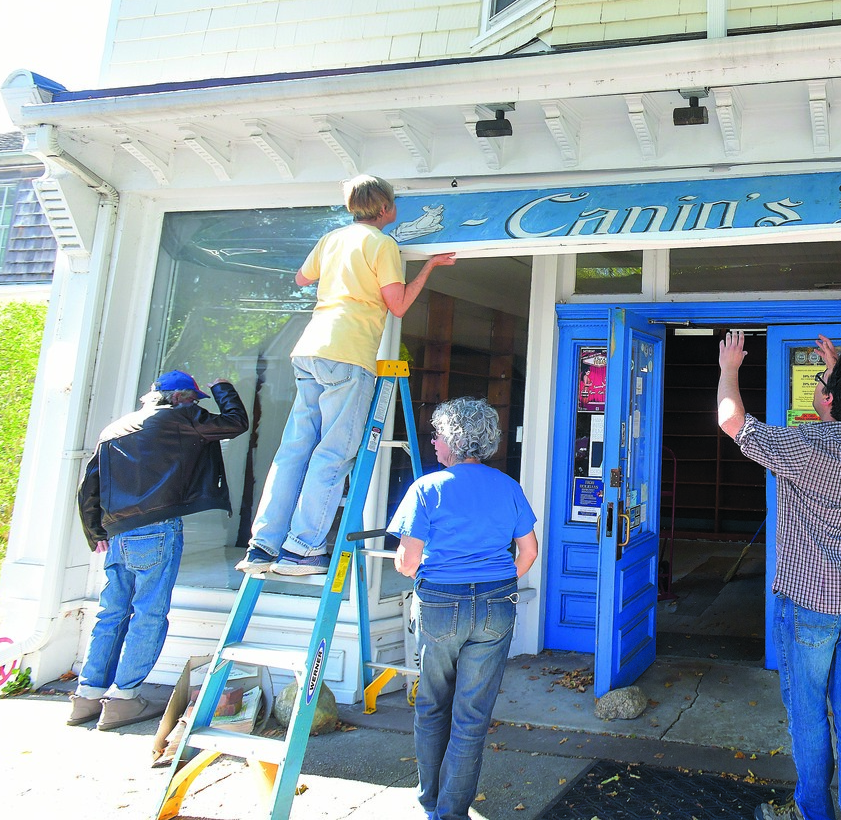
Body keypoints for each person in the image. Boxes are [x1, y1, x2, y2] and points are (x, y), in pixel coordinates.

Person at [236, 175, 456, 575]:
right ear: (386, 208)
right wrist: (426, 270)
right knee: (333, 454)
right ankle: (302, 549)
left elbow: (303, 279)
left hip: (310, 348)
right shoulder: (383, 244)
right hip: (348, 353)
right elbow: (399, 304)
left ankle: (263, 546)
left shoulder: (333, 238)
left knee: (295, 450)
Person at [717, 331, 841, 820]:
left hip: (812, 607)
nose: (816, 383)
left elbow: (732, 421)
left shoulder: (804, 446)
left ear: (829, 398)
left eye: (821, 380)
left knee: (809, 714)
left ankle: (812, 812)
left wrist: (730, 368)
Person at [389, 398, 538, 820]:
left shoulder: (427, 488)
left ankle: (430, 803)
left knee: (433, 705)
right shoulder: (507, 485)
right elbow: (529, 552)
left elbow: (407, 563)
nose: (433, 442)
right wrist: (499, 578)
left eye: (437, 434)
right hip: (496, 602)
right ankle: (451, 813)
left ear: (451, 441)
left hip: (440, 602)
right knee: (472, 715)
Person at [73, 371, 249, 729]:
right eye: (194, 399)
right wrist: (221, 387)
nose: (196, 405)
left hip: (118, 535)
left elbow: (89, 485)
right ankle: (123, 699)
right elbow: (235, 423)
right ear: (182, 398)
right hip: (156, 529)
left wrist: (95, 531)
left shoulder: (115, 428)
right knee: (149, 614)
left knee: (112, 613)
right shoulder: (178, 417)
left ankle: (87, 697)